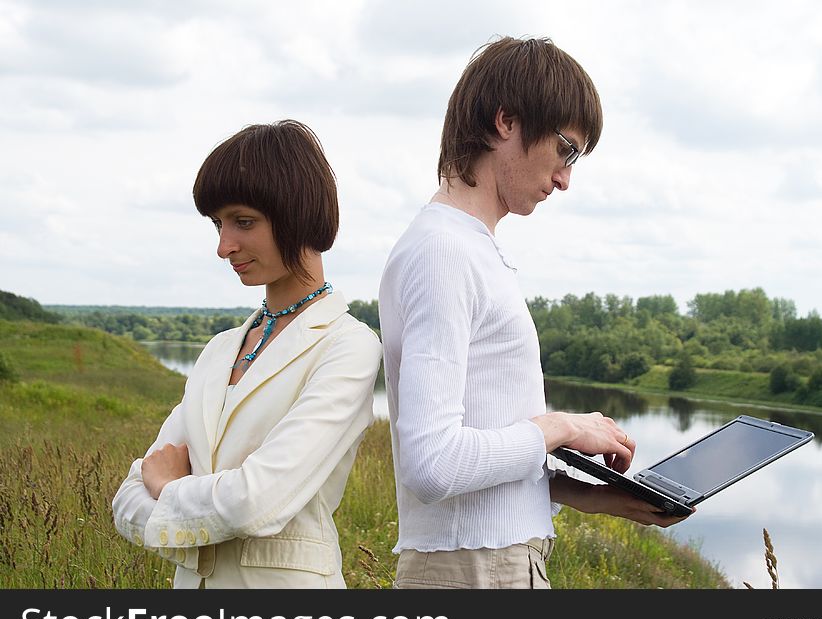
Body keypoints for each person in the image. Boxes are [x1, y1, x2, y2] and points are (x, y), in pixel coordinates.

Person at [378, 36, 689, 589]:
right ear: (507, 122)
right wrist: (562, 426)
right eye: (565, 149)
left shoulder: (471, 247)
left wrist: (590, 497)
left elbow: (480, 450)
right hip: (467, 570)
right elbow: (433, 466)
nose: (566, 178)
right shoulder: (443, 250)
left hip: (496, 561)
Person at [113, 120, 382, 588]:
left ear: (296, 212)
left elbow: (258, 501)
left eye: (243, 221)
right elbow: (126, 500)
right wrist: (181, 499)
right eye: (218, 224)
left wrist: (169, 489)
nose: (224, 246)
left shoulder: (348, 346)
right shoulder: (219, 350)